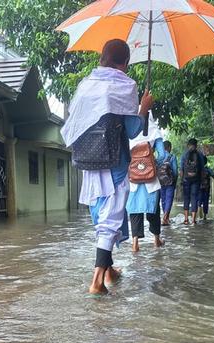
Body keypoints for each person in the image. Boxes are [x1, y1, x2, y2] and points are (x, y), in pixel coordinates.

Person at [61, 39, 153, 296]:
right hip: (115, 161)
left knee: (101, 215)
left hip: (89, 162)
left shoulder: (85, 86)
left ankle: (110, 272)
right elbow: (133, 130)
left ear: (102, 57)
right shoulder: (125, 85)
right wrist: (143, 109)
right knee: (110, 220)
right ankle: (96, 282)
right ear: (125, 62)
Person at [127, 117, 167, 252]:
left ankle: (135, 243)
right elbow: (162, 155)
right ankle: (156, 240)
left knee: (134, 210)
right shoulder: (154, 129)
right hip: (151, 178)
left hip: (133, 177)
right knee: (154, 209)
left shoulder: (128, 127)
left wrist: (134, 167)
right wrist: (151, 167)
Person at [179, 138, 206, 225]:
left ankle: (186, 219)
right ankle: (193, 220)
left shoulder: (184, 155)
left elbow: (181, 169)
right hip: (196, 180)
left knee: (186, 198)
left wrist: (182, 179)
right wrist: (202, 180)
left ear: (188, 145)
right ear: (196, 145)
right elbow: (202, 169)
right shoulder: (200, 155)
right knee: (194, 198)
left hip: (186, 179)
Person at [156, 140, 178, 226]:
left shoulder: (159, 157)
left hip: (160, 181)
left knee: (163, 199)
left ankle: (166, 218)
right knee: (169, 198)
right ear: (169, 147)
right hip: (169, 181)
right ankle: (165, 217)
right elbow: (175, 171)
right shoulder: (172, 157)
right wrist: (175, 181)